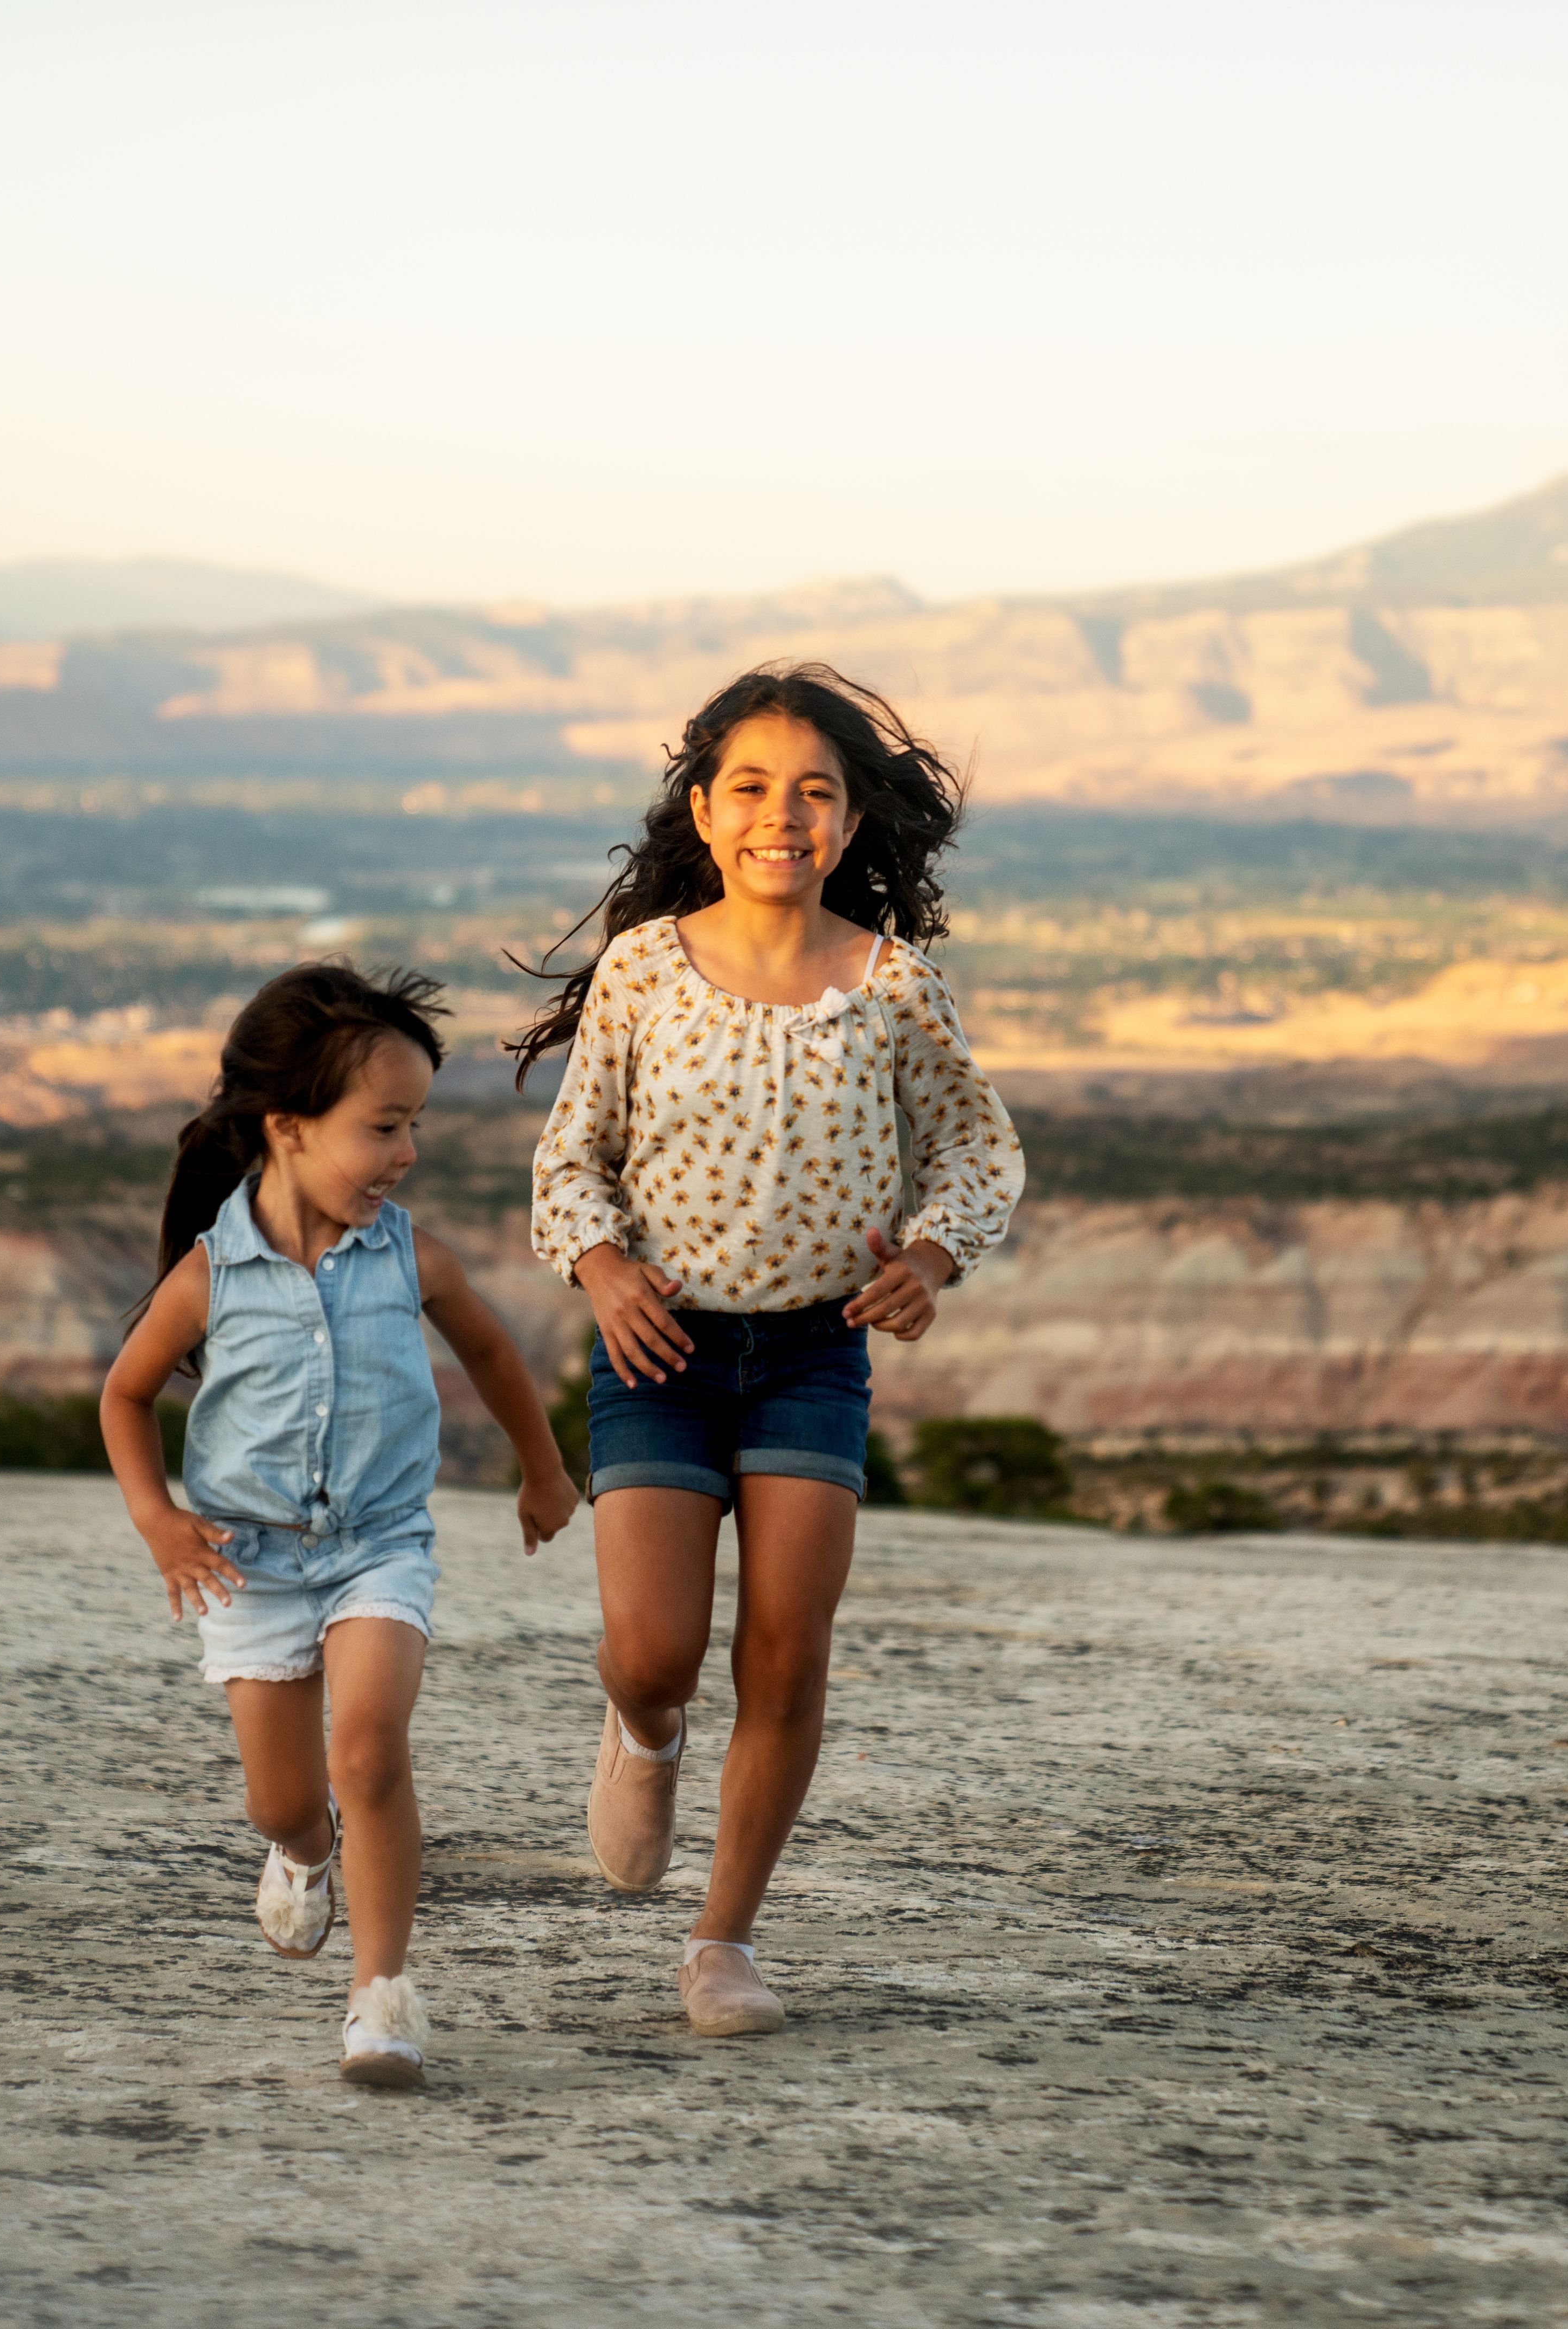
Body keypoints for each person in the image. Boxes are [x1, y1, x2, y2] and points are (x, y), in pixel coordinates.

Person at [512, 662, 1025, 2037]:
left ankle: (721, 1941)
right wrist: (601, 1269)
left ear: (849, 825)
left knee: (786, 1656)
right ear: (702, 809)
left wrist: (929, 1259)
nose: (781, 816)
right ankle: (644, 1730)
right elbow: (572, 1158)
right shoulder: (642, 970)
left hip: (813, 1354)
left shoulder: (894, 986)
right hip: (660, 1351)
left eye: (814, 793)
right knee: (652, 1650)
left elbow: (977, 1149)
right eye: (750, 787)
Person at [102, 962, 581, 2089]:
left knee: (368, 1753)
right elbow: (124, 1395)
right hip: (252, 1564)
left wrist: (544, 1470)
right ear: (287, 1127)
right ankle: (304, 1847)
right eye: (383, 1127)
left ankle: (382, 1999)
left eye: (413, 1125)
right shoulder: (210, 1275)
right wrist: (158, 1520)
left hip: (379, 1546)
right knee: (280, 1798)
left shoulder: (409, 1254)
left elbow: (491, 1351)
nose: (406, 1153)